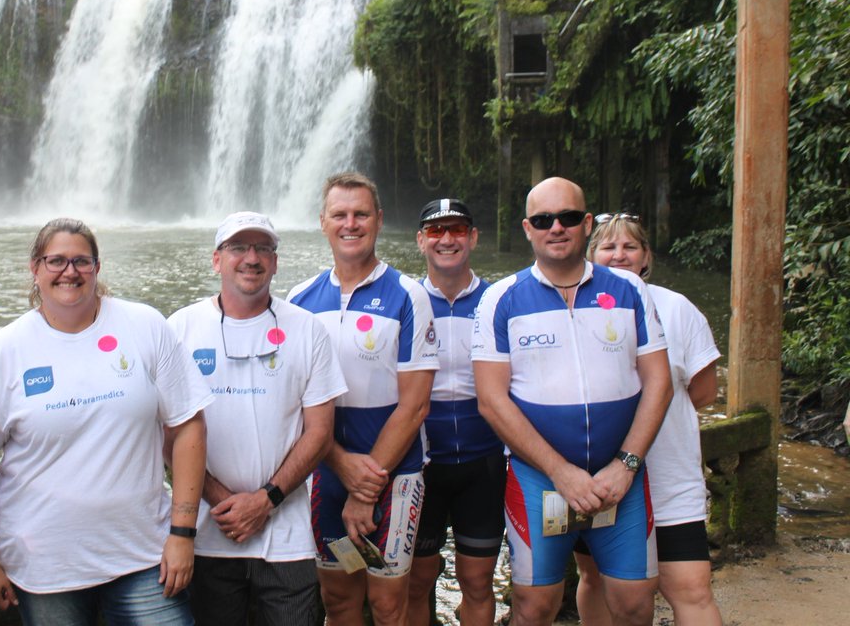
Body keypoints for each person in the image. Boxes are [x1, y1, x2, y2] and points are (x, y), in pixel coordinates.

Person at [0, 217, 212, 626]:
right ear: (35, 268)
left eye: (81, 261)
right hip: (44, 567)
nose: (70, 271)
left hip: (144, 556)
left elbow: (189, 425)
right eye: (56, 260)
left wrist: (182, 533)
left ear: (97, 267)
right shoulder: (3, 351)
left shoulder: (145, 326)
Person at [472, 177, 672, 626]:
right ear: (528, 228)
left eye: (566, 218)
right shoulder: (499, 299)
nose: (555, 227)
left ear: (585, 223)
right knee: (534, 607)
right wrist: (561, 473)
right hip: (538, 480)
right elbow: (491, 399)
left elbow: (659, 383)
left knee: (635, 604)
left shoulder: (628, 290)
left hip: (620, 478)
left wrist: (626, 464)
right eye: (543, 219)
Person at [167, 211, 348, 625]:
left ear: (275, 261)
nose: (251, 258)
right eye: (238, 248)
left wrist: (266, 500)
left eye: (263, 248)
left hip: (287, 539)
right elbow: (166, 433)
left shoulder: (306, 330)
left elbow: (319, 433)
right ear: (217, 260)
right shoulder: (180, 329)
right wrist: (220, 500)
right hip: (207, 533)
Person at [288, 172, 439, 626]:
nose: (350, 224)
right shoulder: (299, 300)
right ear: (323, 222)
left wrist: (365, 484)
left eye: (361, 214)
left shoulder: (408, 296)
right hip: (326, 474)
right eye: (340, 214)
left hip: (395, 474)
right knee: (338, 600)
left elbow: (415, 406)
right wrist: (342, 468)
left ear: (378, 220)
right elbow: (294, 404)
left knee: (390, 604)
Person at [574, 213, 723, 626]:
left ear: (645, 257)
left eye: (629, 247)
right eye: (608, 247)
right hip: (601, 479)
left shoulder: (677, 309)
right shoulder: (573, 310)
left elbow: (704, 391)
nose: (619, 255)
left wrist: (657, 419)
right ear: (591, 255)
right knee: (596, 578)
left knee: (691, 587)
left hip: (668, 475)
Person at [405, 199, 505, 626]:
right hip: (421, 464)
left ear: (473, 238)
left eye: (458, 230)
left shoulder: (498, 300)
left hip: (483, 461)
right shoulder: (405, 301)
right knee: (415, 579)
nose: (447, 239)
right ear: (421, 241)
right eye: (436, 230)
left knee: (478, 580)